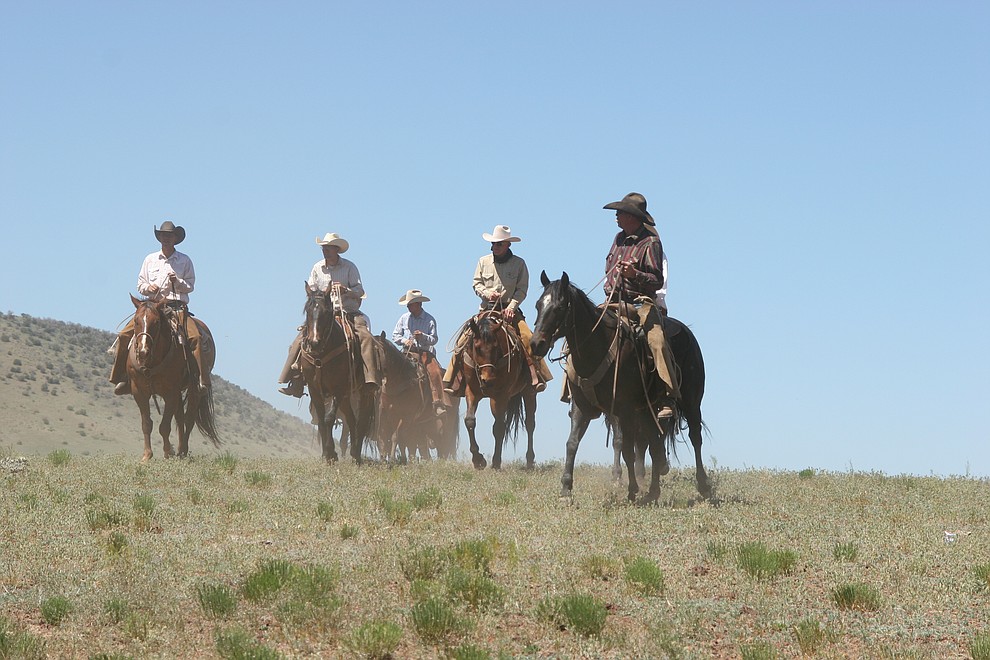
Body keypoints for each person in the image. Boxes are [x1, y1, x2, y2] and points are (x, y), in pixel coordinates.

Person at [442, 225, 552, 395]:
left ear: (508, 245)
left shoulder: (519, 264)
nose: (495, 247)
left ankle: (536, 375)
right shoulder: (483, 261)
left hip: (510, 311)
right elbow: (476, 283)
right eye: (493, 244)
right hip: (486, 309)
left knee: (528, 337)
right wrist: (487, 294)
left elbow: (522, 289)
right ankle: (453, 380)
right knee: (462, 341)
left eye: (499, 244)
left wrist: (511, 308)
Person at [109, 221, 210, 394]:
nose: (166, 238)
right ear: (159, 237)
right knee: (124, 335)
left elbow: (190, 286)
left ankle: (202, 380)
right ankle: (122, 378)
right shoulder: (150, 259)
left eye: (169, 235)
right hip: (152, 307)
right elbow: (141, 284)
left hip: (175, 307)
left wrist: (176, 282)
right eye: (163, 235)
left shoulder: (184, 260)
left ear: (175, 238)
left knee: (195, 338)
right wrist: (149, 288)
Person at [602, 192, 679, 417]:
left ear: (633, 217)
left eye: (621, 213)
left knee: (657, 341)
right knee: (581, 327)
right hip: (613, 302)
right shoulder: (618, 239)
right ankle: (574, 391)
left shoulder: (651, 243)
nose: (616, 216)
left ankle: (668, 396)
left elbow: (657, 280)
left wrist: (634, 274)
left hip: (640, 303)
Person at [278, 233, 381, 397]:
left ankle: (369, 378)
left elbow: (360, 291)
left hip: (348, 312)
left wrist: (346, 290)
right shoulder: (317, 268)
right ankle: (294, 380)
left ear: (336, 249)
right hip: (324, 314)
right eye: (323, 248)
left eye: (328, 248)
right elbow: (311, 291)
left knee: (365, 337)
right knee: (298, 341)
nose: (325, 251)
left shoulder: (349, 267)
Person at [392, 289, 450, 416]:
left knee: (434, 371)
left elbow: (434, 339)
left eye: (410, 304)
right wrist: (405, 341)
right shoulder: (404, 318)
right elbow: (395, 335)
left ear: (418, 304)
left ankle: (438, 402)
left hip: (425, 353)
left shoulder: (429, 320)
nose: (408, 306)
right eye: (408, 304)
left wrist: (422, 337)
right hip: (408, 352)